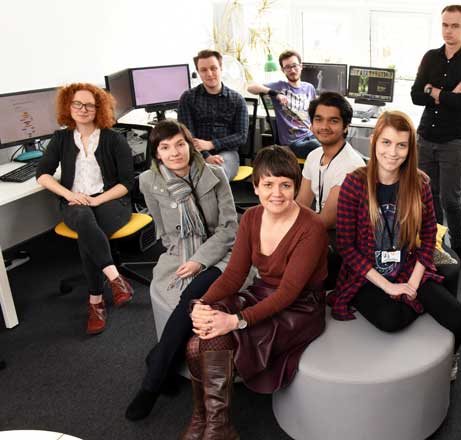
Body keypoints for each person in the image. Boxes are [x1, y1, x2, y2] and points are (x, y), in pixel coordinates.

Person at [181, 146, 328, 439]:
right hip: (261, 294)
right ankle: (209, 420)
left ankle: (215, 425)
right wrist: (204, 303)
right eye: (269, 184)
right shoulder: (250, 218)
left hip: (299, 309)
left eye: (286, 185)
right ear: (256, 186)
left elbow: (287, 293)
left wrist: (234, 320)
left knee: (213, 337)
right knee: (199, 341)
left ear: (296, 187)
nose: (277, 193)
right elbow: (235, 275)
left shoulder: (311, 227)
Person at [329, 110, 461, 379]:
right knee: (390, 320)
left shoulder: (419, 184)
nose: (392, 152)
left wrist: (413, 285)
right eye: (386, 142)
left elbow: (429, 236)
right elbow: (346, 247)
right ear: (374, 142)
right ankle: (412, 307)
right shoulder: (354, 183)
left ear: (410, 148)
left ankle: (449, 351)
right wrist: (388, 286)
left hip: (408, 269)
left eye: (401, 145)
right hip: (367, 275)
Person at [125, 120, 238, 421]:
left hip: (220, 253)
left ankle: (152, 381)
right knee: (189, 297)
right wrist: (183, 253)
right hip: (178, 253)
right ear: (156, 153)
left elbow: (229, 228)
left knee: (194, 293)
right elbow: (162, 230)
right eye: (165, 147)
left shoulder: (215, 174)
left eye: (179, 144)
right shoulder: (149, 181)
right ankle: (162, 360)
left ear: (189, 144)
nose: (174, 152)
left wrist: (200, 259)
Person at [36, 83, 135, 335]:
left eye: (89, 104)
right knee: (83, 217)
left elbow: (127, 182)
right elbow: (42, 174)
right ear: (68, 107)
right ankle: (115, 280)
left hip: (111, 202)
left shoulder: (114, 139)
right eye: (77, 104)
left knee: (87, 228)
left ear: (98, 108)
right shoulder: (60, 138)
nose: (83, 109)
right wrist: (70, 195)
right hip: (75, 202)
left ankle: (96, 301)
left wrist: (98, 200)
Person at [411, 4, 461, 258]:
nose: (449, 31)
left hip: (453, 139)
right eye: (445, 25)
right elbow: (415, 96)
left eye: (455, 26)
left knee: (450, 200)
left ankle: (458, 247)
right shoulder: (431, 56)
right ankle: (436, 245)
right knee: (427, 197)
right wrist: (444, 93)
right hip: (425, 136)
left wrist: (433, 90)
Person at [295, 92, 365, 288]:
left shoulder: (351, 165)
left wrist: (290, 232)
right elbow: (301, 203)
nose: (324, 127)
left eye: (333, 121)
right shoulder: (314, 155)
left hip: (345, 241)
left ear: (346, 127)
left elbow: (327, 220)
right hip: (321, 228)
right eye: (319, 119)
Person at [178, 49, 248, 181]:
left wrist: (212, 144)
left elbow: (241, 136)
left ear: (221, 68)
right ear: (198, 73)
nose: (209, 74)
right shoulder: (188, 98)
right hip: (196, 153)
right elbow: (187, 135)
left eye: (213, 68)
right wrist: (206, 156)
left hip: (228, 154)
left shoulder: (237, 99)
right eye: (203, 70)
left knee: (217, 172)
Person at [247, 50, 320, 159]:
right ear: (283, 70)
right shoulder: (279, 86)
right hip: (293, 143)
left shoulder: (309, 88)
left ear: (301, 66)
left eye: (295, 66)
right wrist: (274, 93)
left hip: (310, 135)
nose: (292, 70)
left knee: (335, 140)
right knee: (319, 147)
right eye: (287, 67)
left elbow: (315, 112)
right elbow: (250, 87)